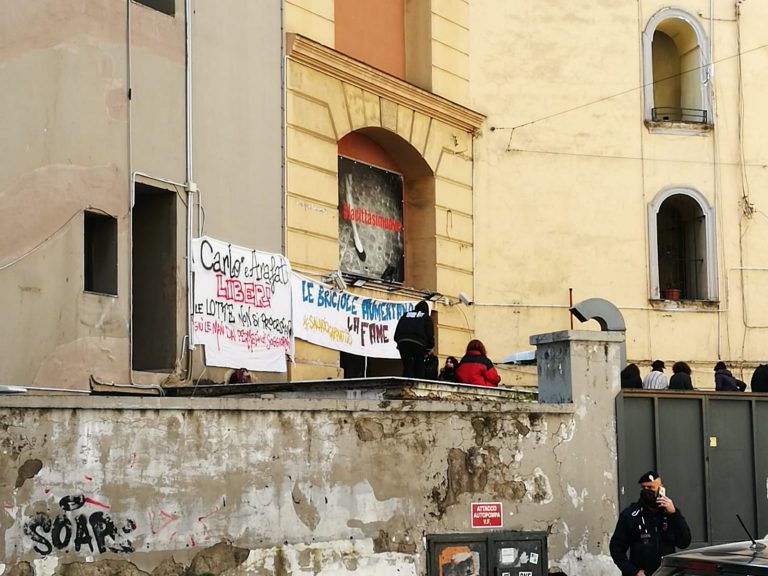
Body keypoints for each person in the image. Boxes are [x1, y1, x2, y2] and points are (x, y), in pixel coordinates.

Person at [610, 470, 691, 576]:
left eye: (651, 488)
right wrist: (633, 572)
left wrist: (674, 514)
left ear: (661, 489)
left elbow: (684, 542)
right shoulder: (630, 514)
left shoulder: (669, 513)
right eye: (644, 488)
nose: (646, 491)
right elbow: (616, 548)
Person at [393, 301, 434, 378]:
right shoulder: (426, 317)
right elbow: (430, 334)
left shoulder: (405, 315)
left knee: (407, 365)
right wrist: (429, 347)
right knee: (419, 365)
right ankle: (417, 385)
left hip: (403, 342)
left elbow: (397, 332)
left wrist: (399, 341)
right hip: (419, 343)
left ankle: (406, 384)